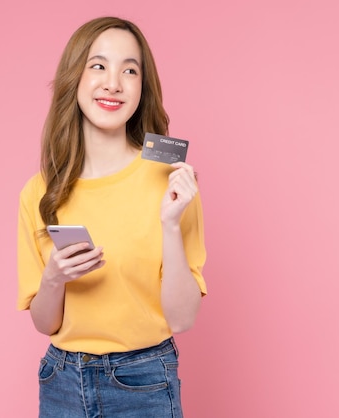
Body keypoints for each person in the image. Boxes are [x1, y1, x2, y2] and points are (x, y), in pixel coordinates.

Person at [17, 16, 207, 418]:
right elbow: (43, 322)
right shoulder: (39, 190)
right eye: (98, 65)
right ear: (75, 77)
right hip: (61, 380)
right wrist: (54, 277)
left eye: (130, 70)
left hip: (144, 380)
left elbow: (183, 317)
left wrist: (171, 224)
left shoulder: (170, 177)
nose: (113, 83)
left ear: (142, 87)